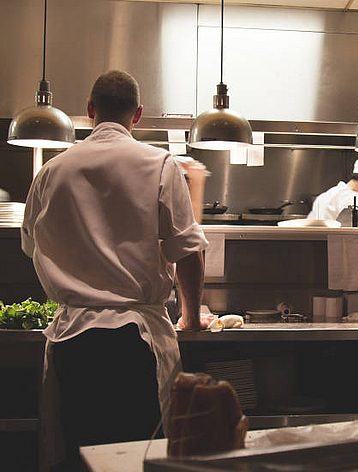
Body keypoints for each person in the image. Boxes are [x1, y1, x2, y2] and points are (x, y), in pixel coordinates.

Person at [21, 70, 208, 470]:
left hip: (73, 341)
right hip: (133, 344)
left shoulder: (52, 171)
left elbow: (31, 246)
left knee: (81, 458)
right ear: (137, 114)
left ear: (90, 111)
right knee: (138, 460)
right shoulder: (159, 164)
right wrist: (190, 317)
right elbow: (188, 250)